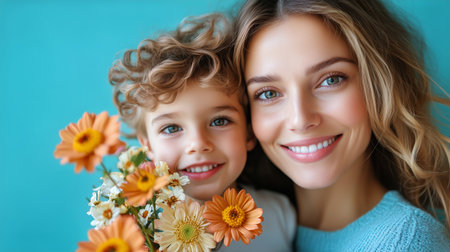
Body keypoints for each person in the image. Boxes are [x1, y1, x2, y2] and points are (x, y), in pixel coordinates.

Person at [232, 0, 450, 251]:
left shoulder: (405, 242)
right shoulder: (251, 231)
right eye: (268, 94)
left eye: (330, 80)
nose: (300, 119)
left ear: (378, 87)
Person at [108, 13, 296, 251]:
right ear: (148, 146)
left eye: (219, 121)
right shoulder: (136, 230)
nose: (198, 144)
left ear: (249, 132)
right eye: (172, 128)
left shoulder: (279, 214)